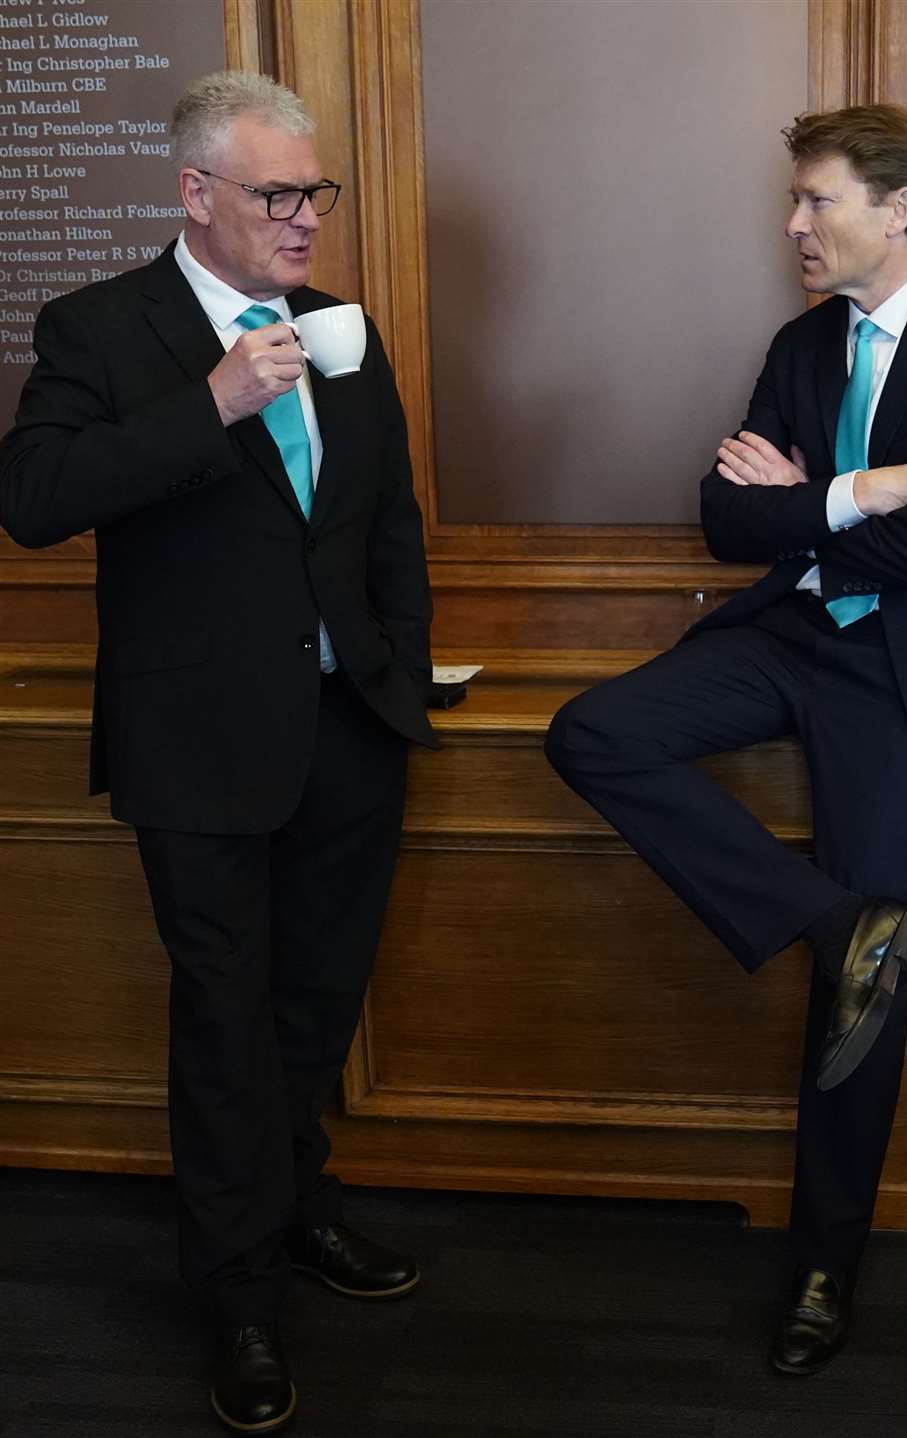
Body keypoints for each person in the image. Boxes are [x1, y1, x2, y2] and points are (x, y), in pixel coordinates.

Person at [545, 103, 907, 1375]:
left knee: (857, 1010)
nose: (793, 224)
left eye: (817, 200)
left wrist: (812, 504)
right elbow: (727, 518)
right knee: (593, 731)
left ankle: (828, 1261)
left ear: (897, 210)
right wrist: (858, 493)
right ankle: (837, 924)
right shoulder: (801, 345)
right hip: (791, 638)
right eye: (796, 201)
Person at [0, 71, 436, 1432]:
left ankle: (297, 1204)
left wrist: (401, 678)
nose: (308, 220)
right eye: (278, 196)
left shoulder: (342, 330)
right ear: (197, 195)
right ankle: (239, 1288)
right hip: (197, 743)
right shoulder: (99, 329)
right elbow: (34, 501)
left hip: (350, 729)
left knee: (314, 1003)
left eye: (318, 194)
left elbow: (389, 527)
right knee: (226, 1017)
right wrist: (214, 403)